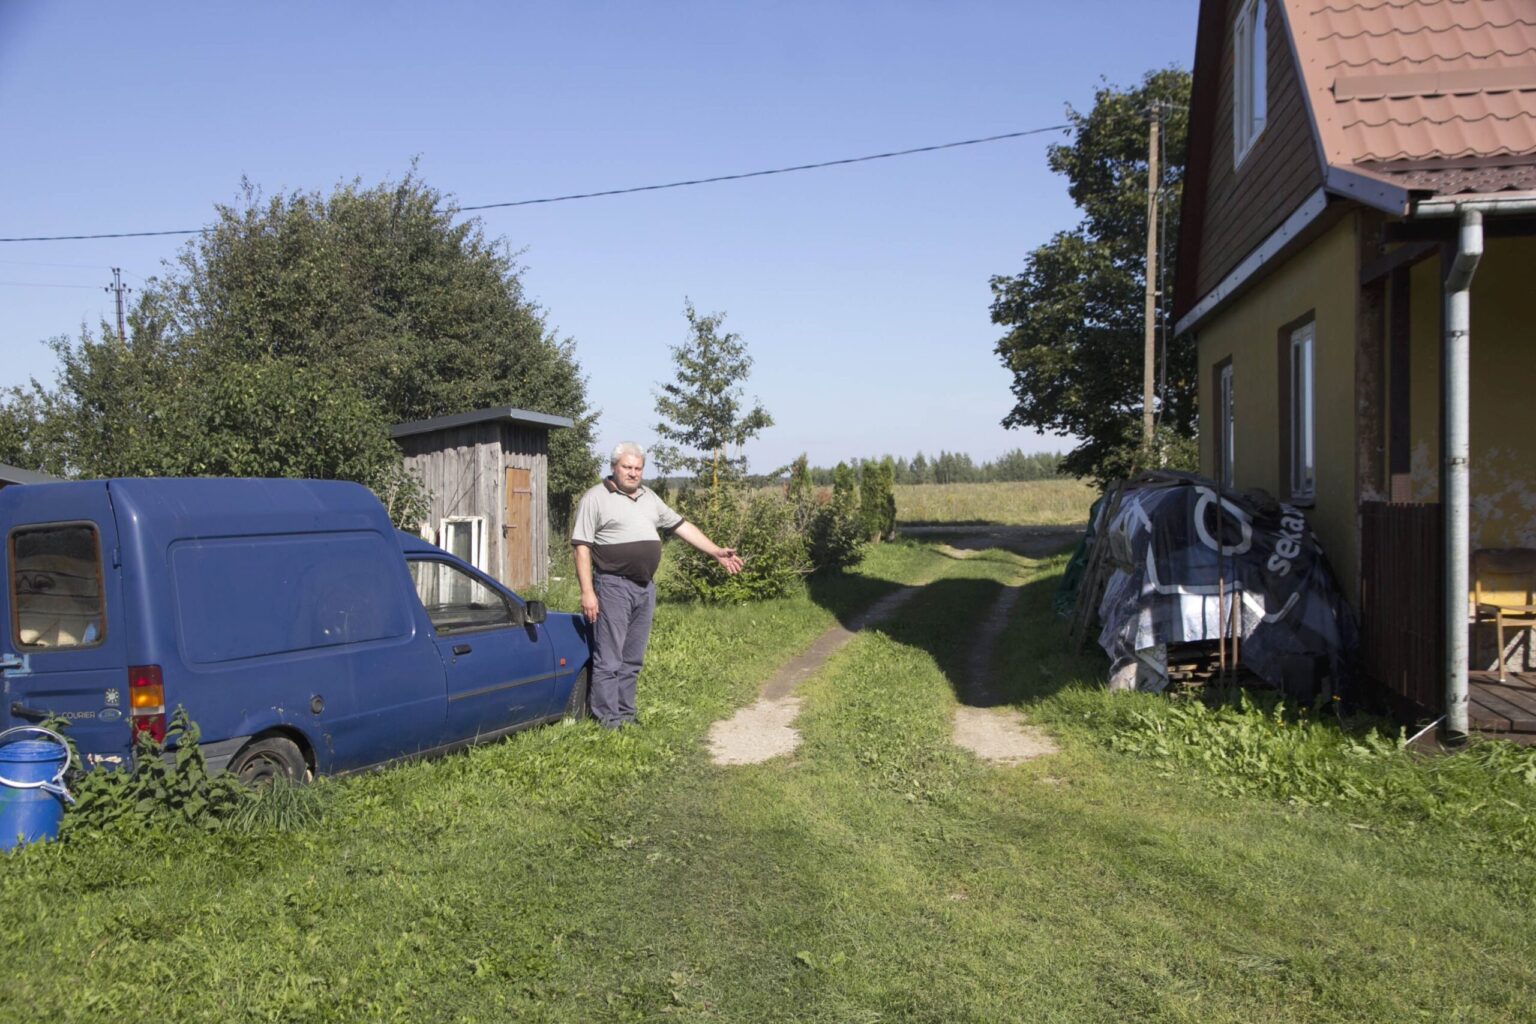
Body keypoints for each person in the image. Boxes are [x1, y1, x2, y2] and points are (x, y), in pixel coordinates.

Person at [570, 442, 744, 728]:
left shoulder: (649, 497)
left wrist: (715, 552)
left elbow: (681, 526)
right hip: (613, 585)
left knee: (632, 658)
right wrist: (588, 591)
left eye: (638, 468)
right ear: (614, 467)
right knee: (609, 658)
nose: (633, 473)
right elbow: (581, 548)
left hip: (644, 588)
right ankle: (607, 720)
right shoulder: (596, 498)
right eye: (627, 467)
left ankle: (626, 714)